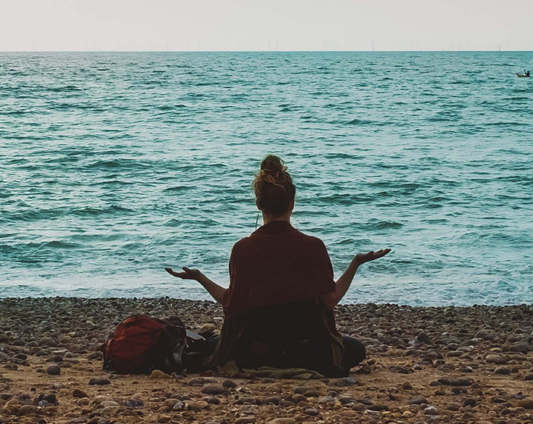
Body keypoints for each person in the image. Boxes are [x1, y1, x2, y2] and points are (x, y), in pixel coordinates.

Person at [166, 155, 390, 376]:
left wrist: (200, 277)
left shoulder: (243, 249)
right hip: (307, 352)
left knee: (212, 342)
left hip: (256, 353)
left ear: (258, 203)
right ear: (292, 202)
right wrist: (356, 263)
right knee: (355, 349)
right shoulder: (313, 246)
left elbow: (231, 304)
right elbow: (329, 301)